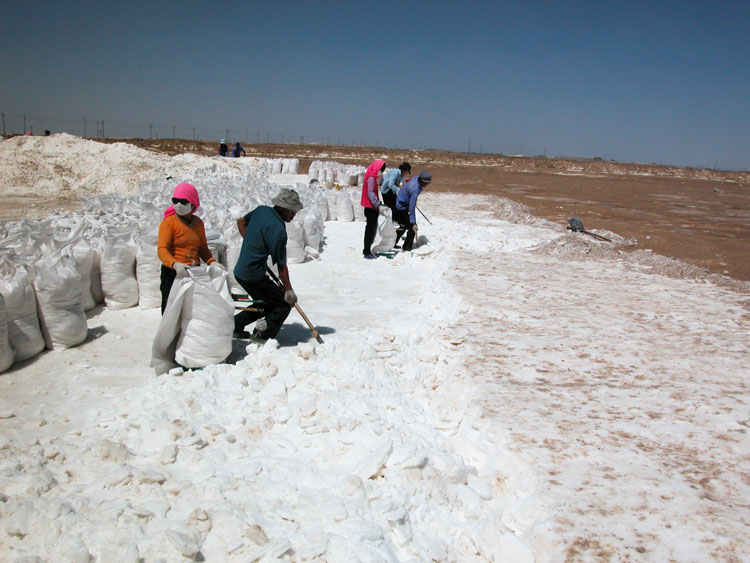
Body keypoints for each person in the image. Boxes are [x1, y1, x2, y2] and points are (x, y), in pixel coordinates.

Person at [233, 188, 303, 342]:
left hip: (241, 271)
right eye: (292, 211)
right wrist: (289, 291)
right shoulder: (278, 230)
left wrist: (253, 244)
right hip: (253, 276)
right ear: (283, 208)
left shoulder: (261, 211)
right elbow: (281, 266)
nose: (294, 215)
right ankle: (262, 335)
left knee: (265, 303)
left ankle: (234, 325)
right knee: (283, 305)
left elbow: (241, 222)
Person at [157, 183, 224, 314]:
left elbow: (202, 247)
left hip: (193, 271)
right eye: (175, 201)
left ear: (192, 204)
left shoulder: (198, 223)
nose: (178, 205)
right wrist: (175, 264)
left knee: (190, 307)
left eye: (183, 201)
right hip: (173, 272)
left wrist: (212, 261)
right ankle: (172, 334)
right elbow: (162, 249)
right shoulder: (169, 223)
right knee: (171, 308)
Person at [394, 171, 431, 251]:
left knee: (402, 226)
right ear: (422, 181)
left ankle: (392, 242)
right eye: (426, 183)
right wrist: (413, 222)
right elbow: (412, 208)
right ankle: (407, 248)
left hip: (401, 202)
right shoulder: (415, 189)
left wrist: (410, 198)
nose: (426, 185)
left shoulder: (416, 178)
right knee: (412, 229)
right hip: (402, 206)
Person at [360, 159, 387, 259]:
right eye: (381, 170)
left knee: (371, 229)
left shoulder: (370, 176)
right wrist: (377, 204)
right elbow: (370, 193)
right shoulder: (371, 178)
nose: (381, 173)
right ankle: (366, 252)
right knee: (370, 230)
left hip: (371, 207)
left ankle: (368, 249)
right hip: (370, 208)